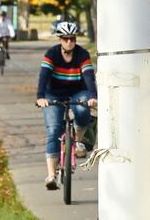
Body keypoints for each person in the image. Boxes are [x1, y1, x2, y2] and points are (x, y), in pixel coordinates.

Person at [36, 21, 98, 190]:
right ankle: (51, 175)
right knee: (54, 129)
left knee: (82, 109)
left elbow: (89, 77)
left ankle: (77, 141)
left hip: (78, 90)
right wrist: (40, 97)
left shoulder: (82, 54)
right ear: (60, 39)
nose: (69, 42)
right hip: (53, 93)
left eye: (72, 38)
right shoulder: (52, 54)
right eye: (65, 39)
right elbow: (43, 76)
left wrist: (93, 96)